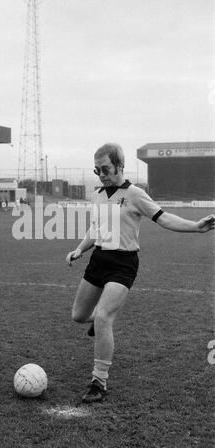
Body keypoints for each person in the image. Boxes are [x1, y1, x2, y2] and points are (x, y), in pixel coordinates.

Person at [66, 142, 215, 404]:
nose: (101, 174)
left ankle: (98, 381)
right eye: (97, 170)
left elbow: (163, 217)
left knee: (103, 317)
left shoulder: (135, 194)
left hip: (123, 263)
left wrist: (196, 227)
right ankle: (96, 327)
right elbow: (96, 230)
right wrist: (79, 249)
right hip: (99, 260)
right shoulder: (98, 194)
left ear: (120, 166)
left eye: (106, 169)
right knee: (79, 315)